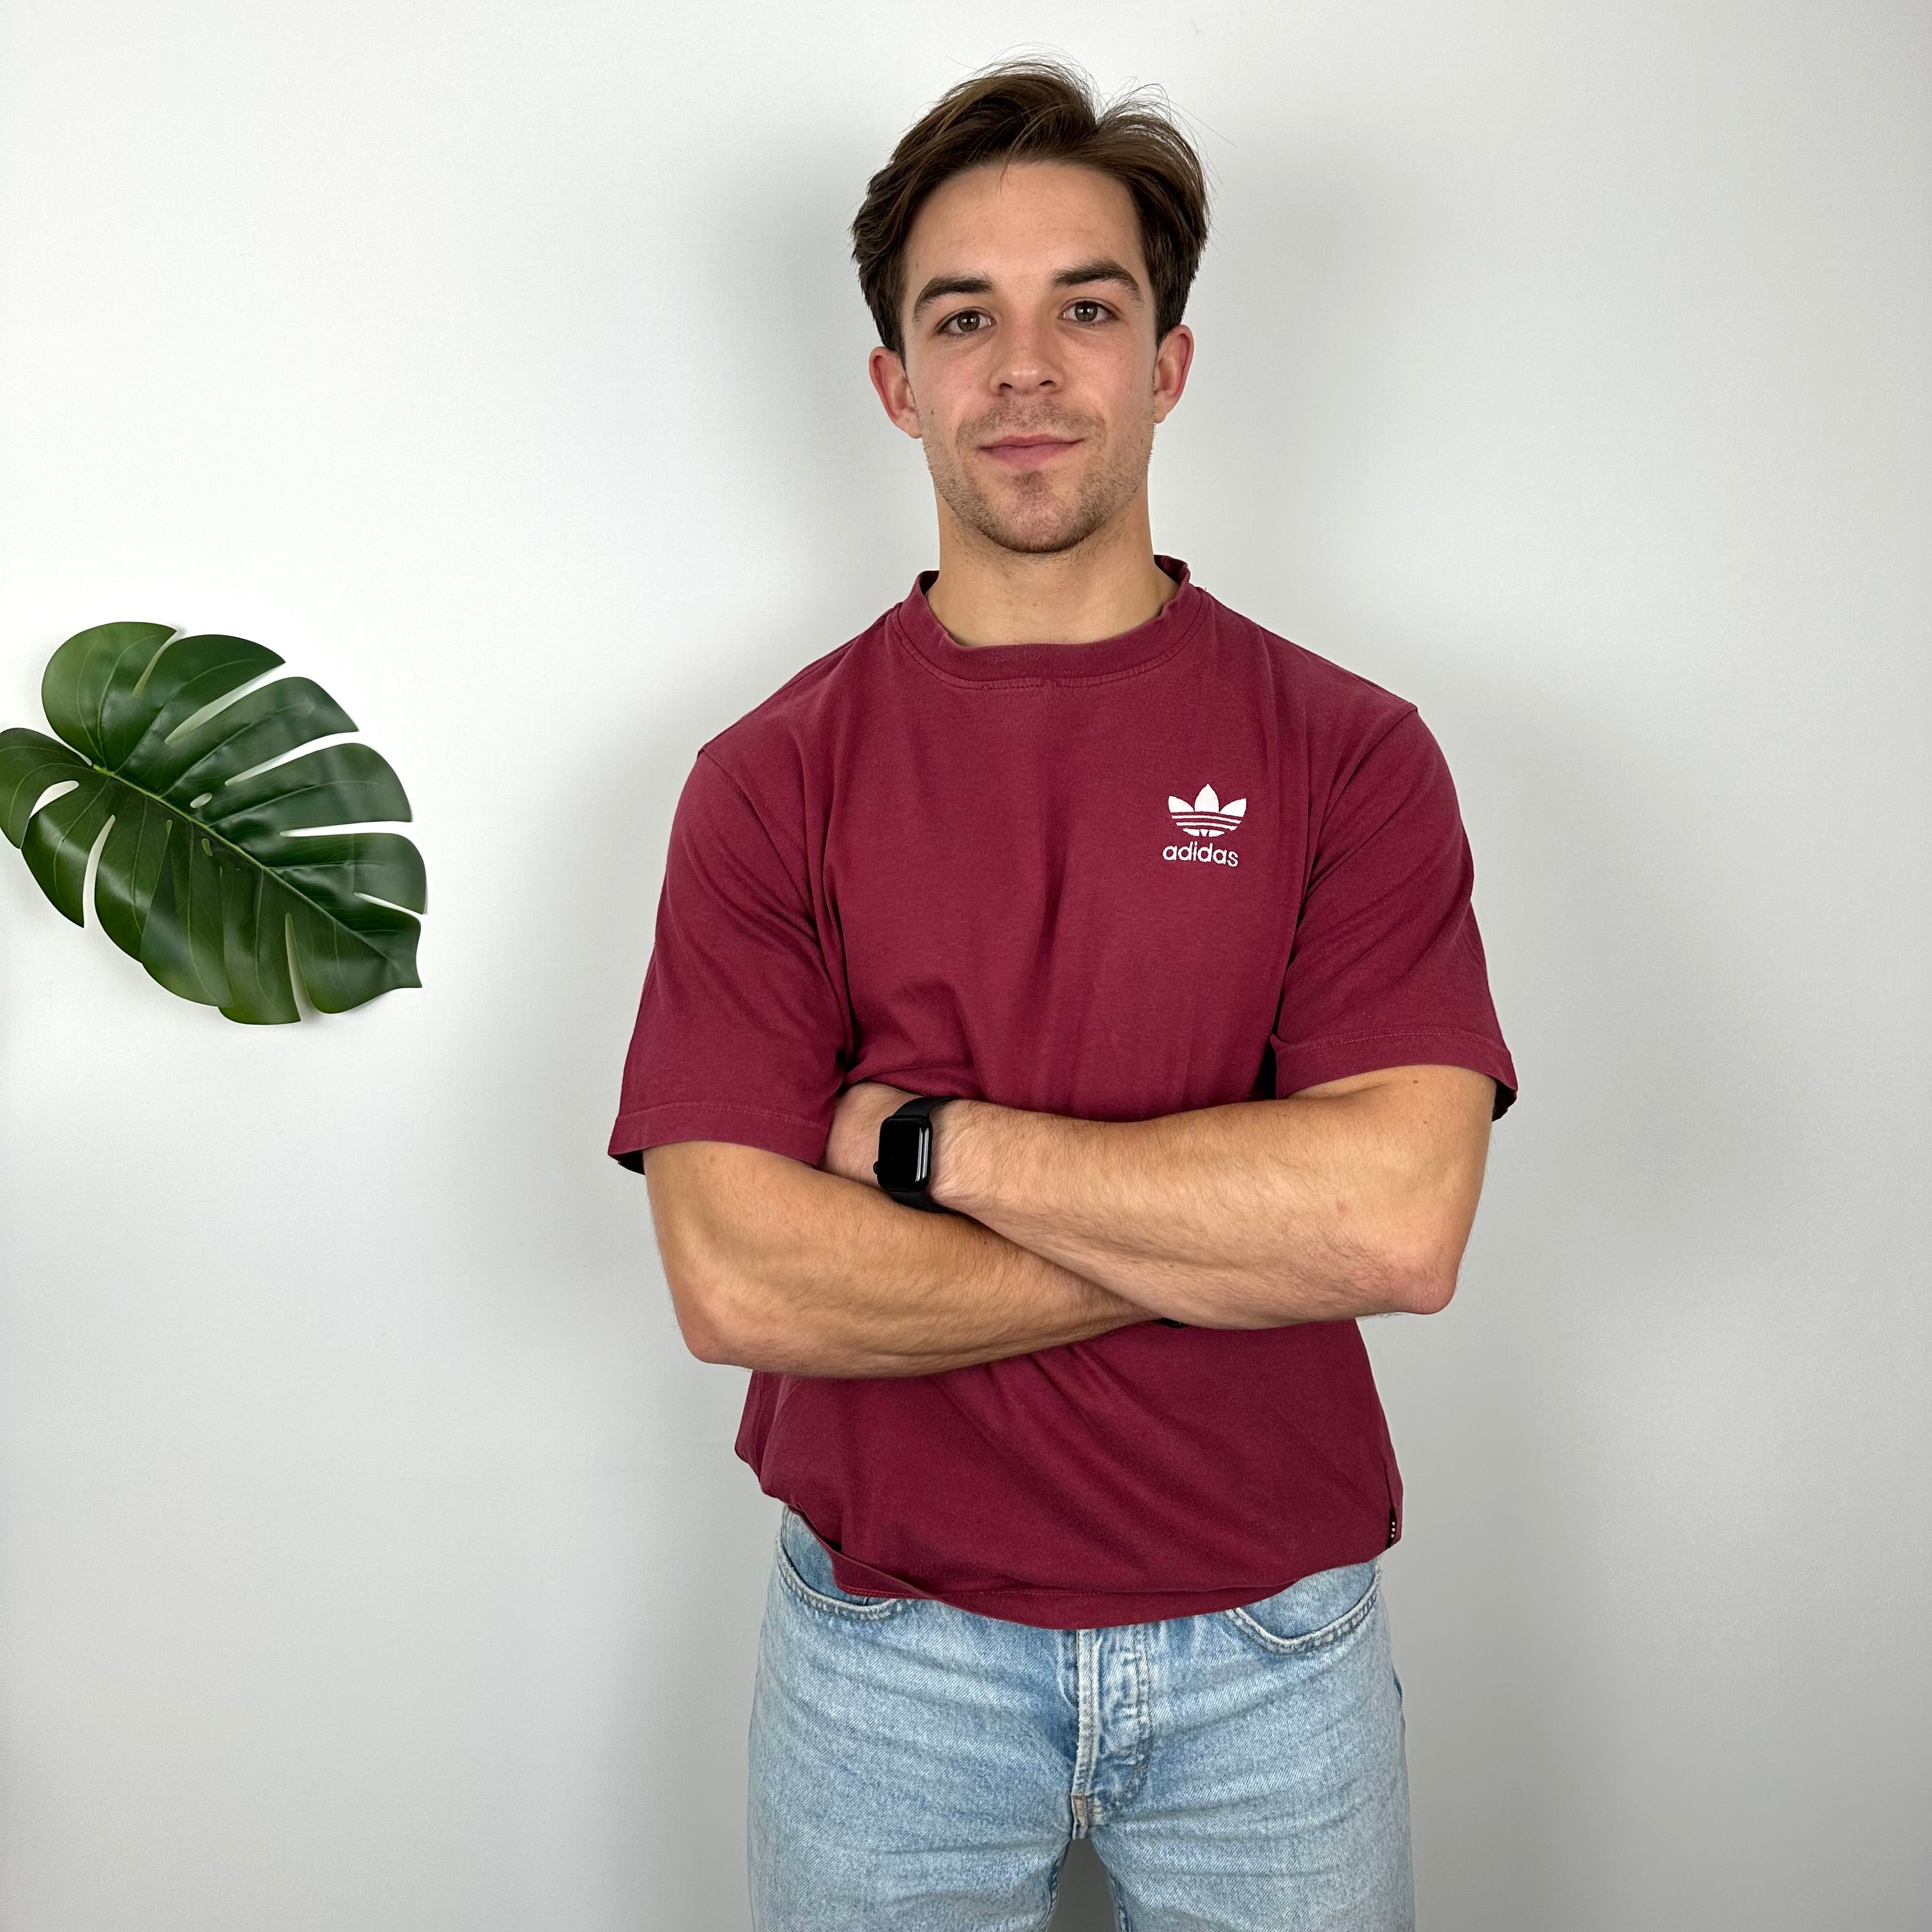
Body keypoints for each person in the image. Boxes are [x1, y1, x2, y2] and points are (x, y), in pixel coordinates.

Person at [609, 57, 1517, 1932]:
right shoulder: (770, 778)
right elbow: (740, 1279)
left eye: (1084, 309)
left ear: (1168, 362)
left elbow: (1402, 1222)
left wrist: (929, 1148)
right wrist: (1234, 1234)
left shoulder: (1350, 754)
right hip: (888, 1660)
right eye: (968, 319)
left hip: (1276, 1650)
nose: (1026, 369)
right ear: (898, 386)